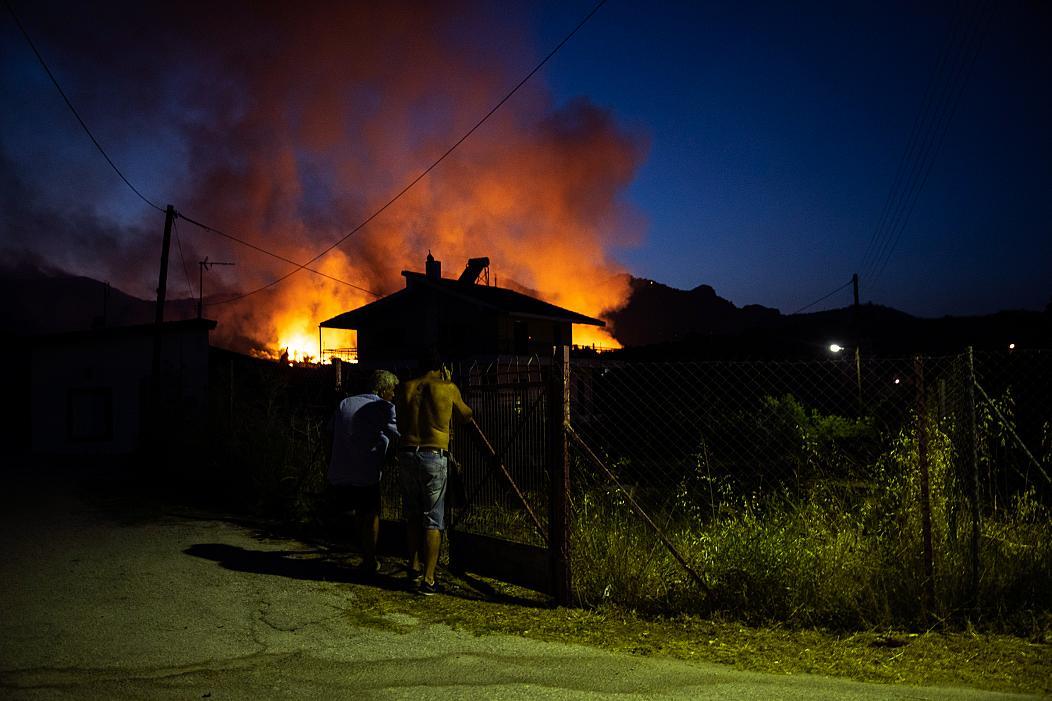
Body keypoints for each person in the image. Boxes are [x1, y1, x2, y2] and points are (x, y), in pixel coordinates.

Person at [395, 348, 472, 595]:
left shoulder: (406, 387)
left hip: (407, 453)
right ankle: (429, 579)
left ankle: (413, 568)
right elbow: (466, 415)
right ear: (440, 368)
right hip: (433, 454)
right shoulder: (447, 387)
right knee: (433, 518)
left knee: (412, 515)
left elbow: (400, 424)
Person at [328, 369, 400, 574]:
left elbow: (330, 431)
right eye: (393, 390)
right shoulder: (384, 407)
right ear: (384, 390)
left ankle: (359, 549)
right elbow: (399, 434)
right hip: (366, 472)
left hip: (341, 469)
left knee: (357, 513)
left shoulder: (345, 403)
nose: (394, 395)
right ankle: (369, 559)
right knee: (371, 513)